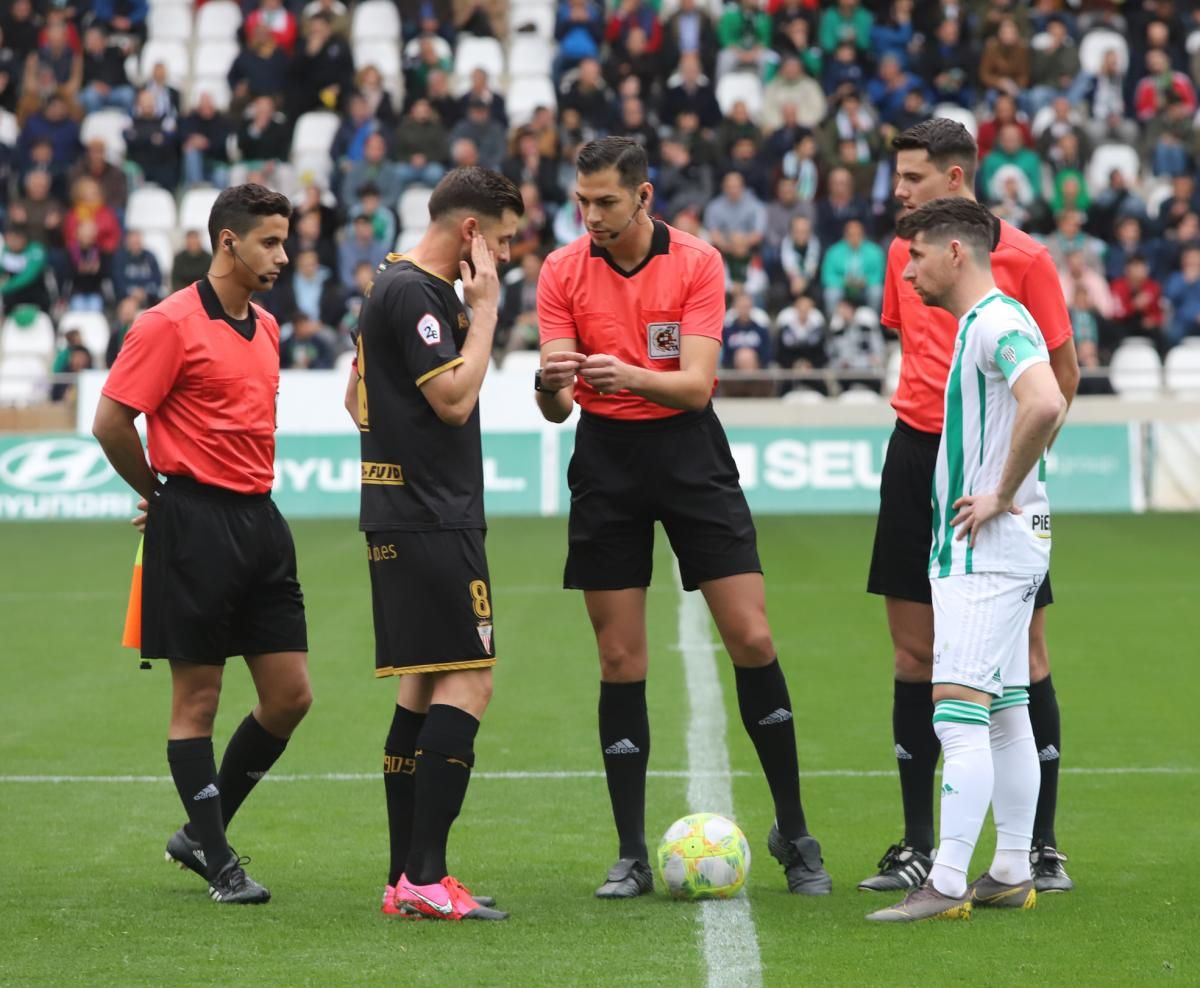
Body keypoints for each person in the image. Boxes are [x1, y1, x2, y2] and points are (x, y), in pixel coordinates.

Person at [534, 137, 831, 899]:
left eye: (605, 200)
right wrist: (547, 387)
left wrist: (626, 372)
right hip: (605, 459)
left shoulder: (697, 262)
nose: (590, 215)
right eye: (581, 200)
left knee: (753, 636)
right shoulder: (561, 271)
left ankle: (794, 833)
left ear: (644, 197)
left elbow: (696, 388)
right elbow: (560, 406)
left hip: (688, 453)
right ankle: (631, 853)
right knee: (619, 659)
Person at [861, 119, 1079, 895]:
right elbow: (916, 355)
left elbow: (1057, 379)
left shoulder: (1020, 263)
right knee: (913, 656)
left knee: (1021, 663)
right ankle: (921, 844)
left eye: (911, 179)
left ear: (954, 180)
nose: (898, 193)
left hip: (992, 477)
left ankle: (1035, 846)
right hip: (916, 454)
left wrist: (1013, 479)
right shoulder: (903, 252)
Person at [91, 184, 312, 906]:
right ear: (227, 242)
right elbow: (111, 422)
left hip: (261, 520)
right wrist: (162, 497)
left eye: (285, 240)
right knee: (199, 700)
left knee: (289, 696)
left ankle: (199, 833)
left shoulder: (269, 326)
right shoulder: (167, 324)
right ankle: (220, 861)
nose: (283, 255)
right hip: (195, 524)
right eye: (270, 242)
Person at [342, 167, 522, 921]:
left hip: (402, 509)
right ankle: (425, 875)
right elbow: (452, 401)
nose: (509, 256)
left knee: (421, 684)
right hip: (430, 515)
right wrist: (484, 314)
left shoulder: (389, 282)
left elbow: (355, 399)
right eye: (505, 239)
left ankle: (404, 878)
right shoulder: (420, 292)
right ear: (472, 231)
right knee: (471, 681)